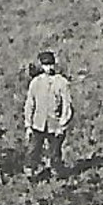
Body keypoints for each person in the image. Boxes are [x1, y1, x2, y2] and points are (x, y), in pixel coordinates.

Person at [23, 50, 73, 179]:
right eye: (45, 65)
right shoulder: (35, 82)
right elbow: (30, 104)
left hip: (54, 125)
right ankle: (30, 175)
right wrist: (28, 124)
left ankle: (56, 176)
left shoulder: (61, 82)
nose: (48, 68)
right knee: (33, 151)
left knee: (55, 153)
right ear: (41, 65)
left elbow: (67, 105)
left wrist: (62, 125)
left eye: (50, 64)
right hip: (38, 124)